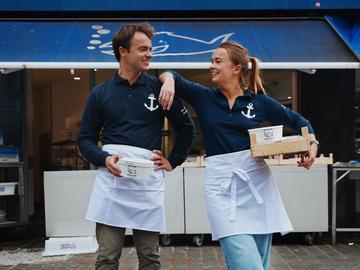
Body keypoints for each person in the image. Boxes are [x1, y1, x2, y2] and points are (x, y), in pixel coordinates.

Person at [158, 41, 319, 270]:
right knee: (247, 265)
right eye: (212, 61)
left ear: (236, 68)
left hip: (258, 188)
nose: (212, 66)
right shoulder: (205, 97)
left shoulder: (259, 102)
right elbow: (167, 73)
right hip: (221, 190)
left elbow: (299, 121)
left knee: (259, 266)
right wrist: (170, 83)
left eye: (218, 61)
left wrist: (312, 144)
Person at [78, 22, 195, 270]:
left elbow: (187, 128)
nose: (149, 54)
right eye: (142, 49)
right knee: (107, 258)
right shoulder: (100, 94)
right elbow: (85, 139)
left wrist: (173, 160)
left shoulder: (159, 89)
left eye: (150, 49)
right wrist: (103, 158)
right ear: (123, 51)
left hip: (146, 185)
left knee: (150, 259)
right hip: (112, 185)